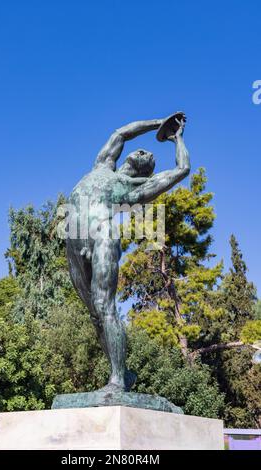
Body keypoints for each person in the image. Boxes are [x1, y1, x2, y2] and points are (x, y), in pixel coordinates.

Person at [66, 114, 190, 391]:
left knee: (104, 307)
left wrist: (177, 139)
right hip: (73, 241)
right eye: (143, 149)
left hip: (103, 239)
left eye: (149, 156)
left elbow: (182, 170)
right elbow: (121, 133)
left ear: (145, 172)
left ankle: (117, 380)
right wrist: (159, 123)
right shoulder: (102, 166)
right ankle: (123, 372)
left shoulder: (136, 189)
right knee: (94, 315)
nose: (145, 150)